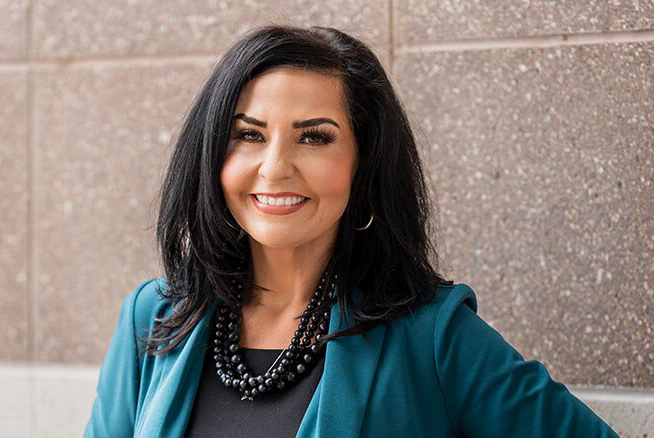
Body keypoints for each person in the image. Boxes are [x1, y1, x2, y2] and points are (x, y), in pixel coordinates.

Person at [83, 24, 619, 437]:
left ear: (363, 166)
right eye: (248, 135)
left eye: (314, 138)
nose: (274, 168)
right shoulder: (154, 317)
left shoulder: (431, 335)